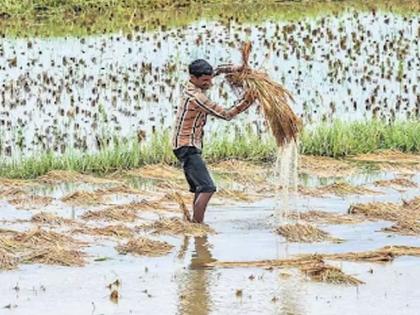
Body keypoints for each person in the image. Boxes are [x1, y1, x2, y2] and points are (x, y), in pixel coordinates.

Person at [172, 59, 257, 223]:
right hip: (187, 146)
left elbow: (217, 69)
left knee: (200, 187)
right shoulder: (196, 98)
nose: (209, 83)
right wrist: (248, 100)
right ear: (193, 78)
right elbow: (226, 114)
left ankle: (194, 222)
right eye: (205, 80)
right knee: (208, 187)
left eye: (210, 79)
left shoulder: (191, 85)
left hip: (185, 145)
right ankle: (197, 227)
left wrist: (236, 68)